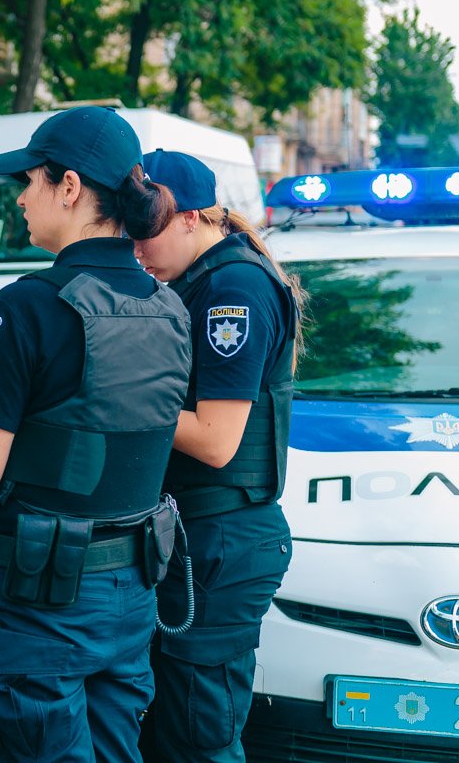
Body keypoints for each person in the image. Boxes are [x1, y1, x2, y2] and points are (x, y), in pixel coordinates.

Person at [0, 107, 193, 763]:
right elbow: (91, 406)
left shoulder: (30, 303)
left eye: (30, 181)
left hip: (42, 605)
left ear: (69, 187)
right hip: (130, 596)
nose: (22, 198)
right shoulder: (168, 305)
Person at [133, 150, 299, 763]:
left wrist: (115, 397)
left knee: (201, 739)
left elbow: (216, 437)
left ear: (190, 218)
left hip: (220, 536)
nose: (135, 244)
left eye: (145, 227)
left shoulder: (233, 287)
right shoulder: (198, 281)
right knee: (173, 728)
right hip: (200, 533)